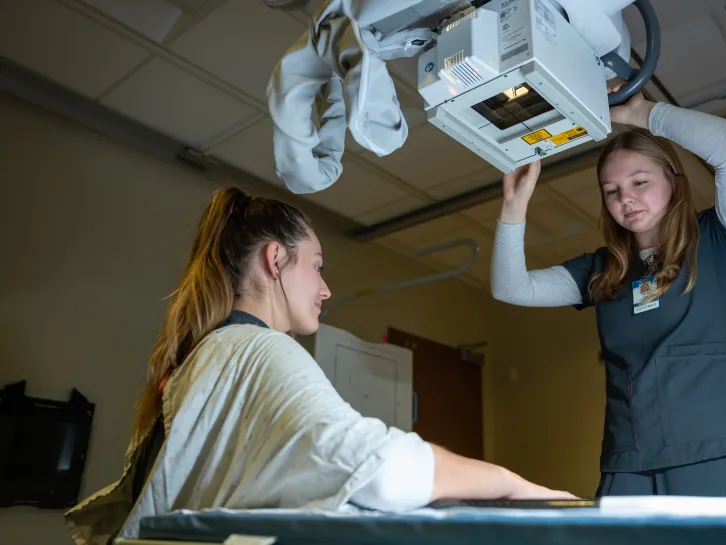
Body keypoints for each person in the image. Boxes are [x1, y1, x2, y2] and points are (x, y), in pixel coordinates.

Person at [65, 187, 575, 545]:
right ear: (275, 260)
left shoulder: (200, 360)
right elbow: (381, 470)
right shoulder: (256, 350)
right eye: (317, 265)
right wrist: (513, 483)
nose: (326, 287)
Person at [491, 92, 726, 497]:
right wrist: (513, 207)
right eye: (611, 190)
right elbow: (511, 287)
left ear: (672, 181)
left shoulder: (718, 238)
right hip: (630, 464)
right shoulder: (604, 269)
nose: (625, 198)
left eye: (639, 182)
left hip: (722, 453)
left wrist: (641, 114)